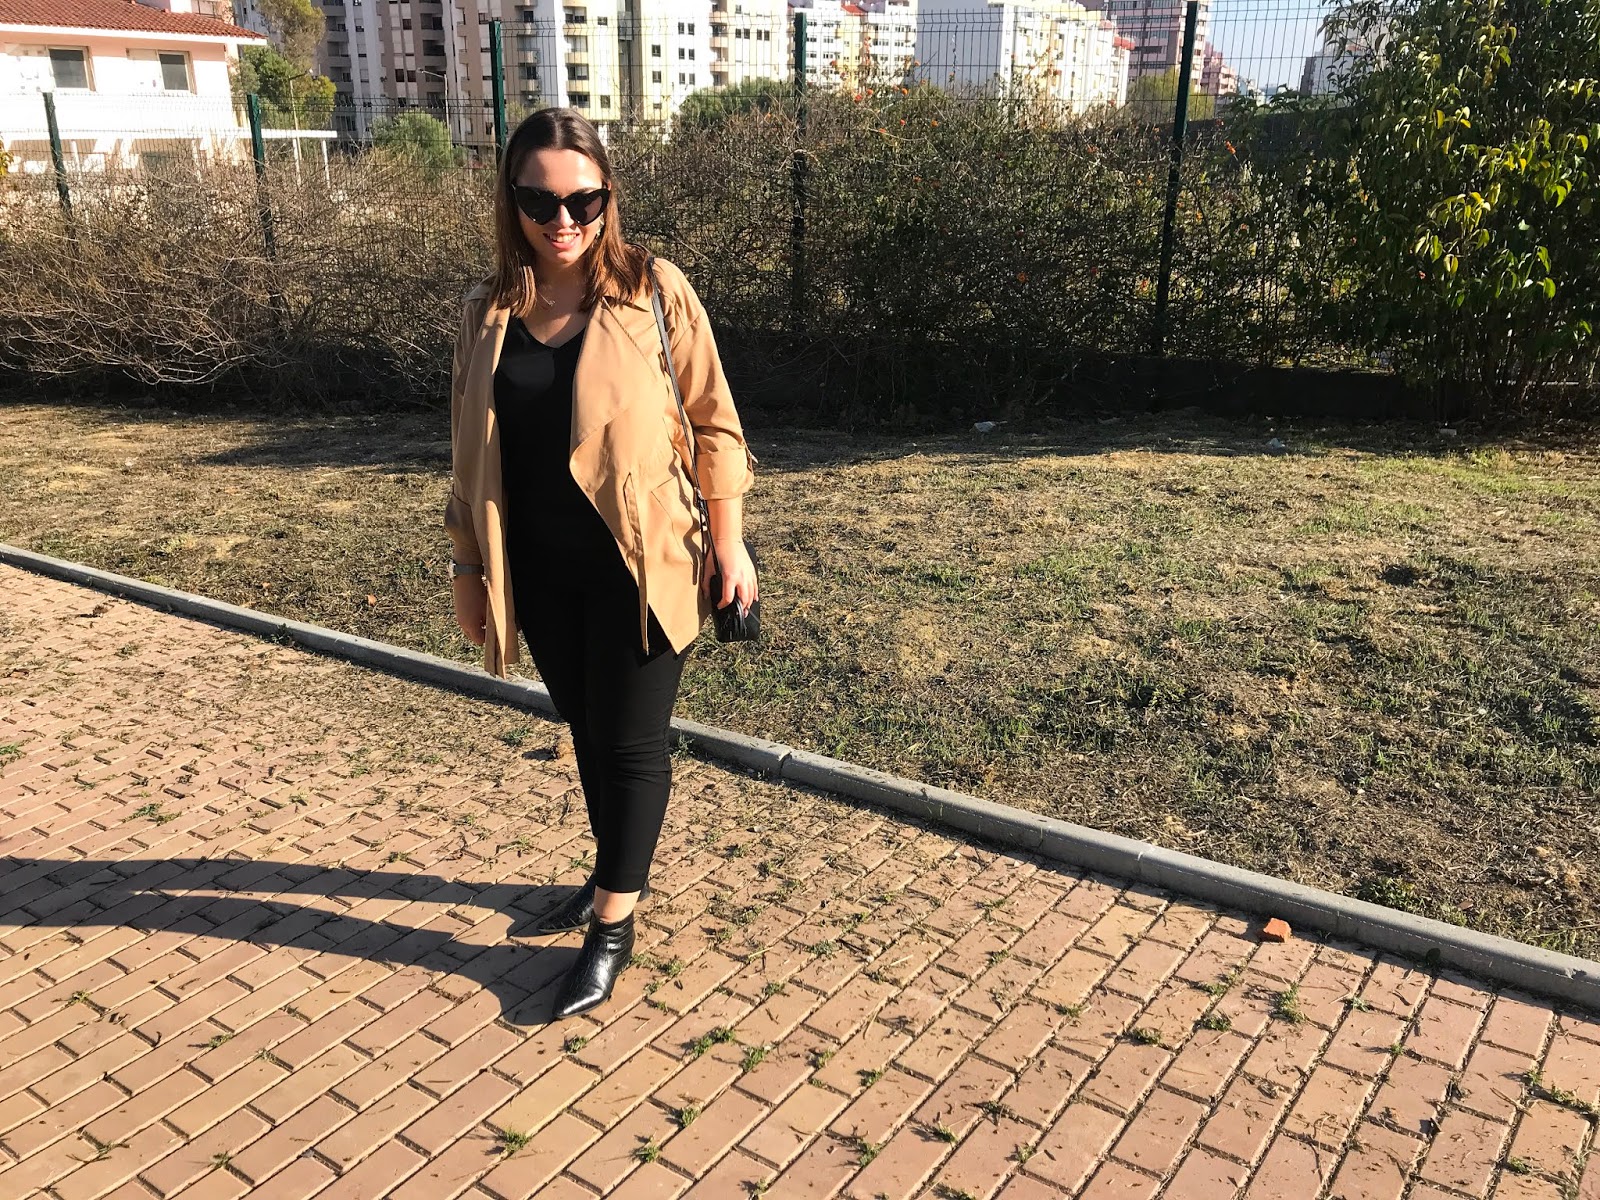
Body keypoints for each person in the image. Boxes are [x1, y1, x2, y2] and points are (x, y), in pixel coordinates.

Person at [444, 108, 758, 1020]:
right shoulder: (486, 312)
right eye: (540, 200)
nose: (563, 219)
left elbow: (716, 423)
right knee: (586, 728)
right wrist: (468, 565)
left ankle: (613, 927)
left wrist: (730, 542)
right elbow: (465, 451)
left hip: (644, 560)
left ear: (608, 197)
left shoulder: (653, 291)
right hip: (536, 569)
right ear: (511, 202)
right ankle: (608, 874)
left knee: (629, 744)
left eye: (583, 199)